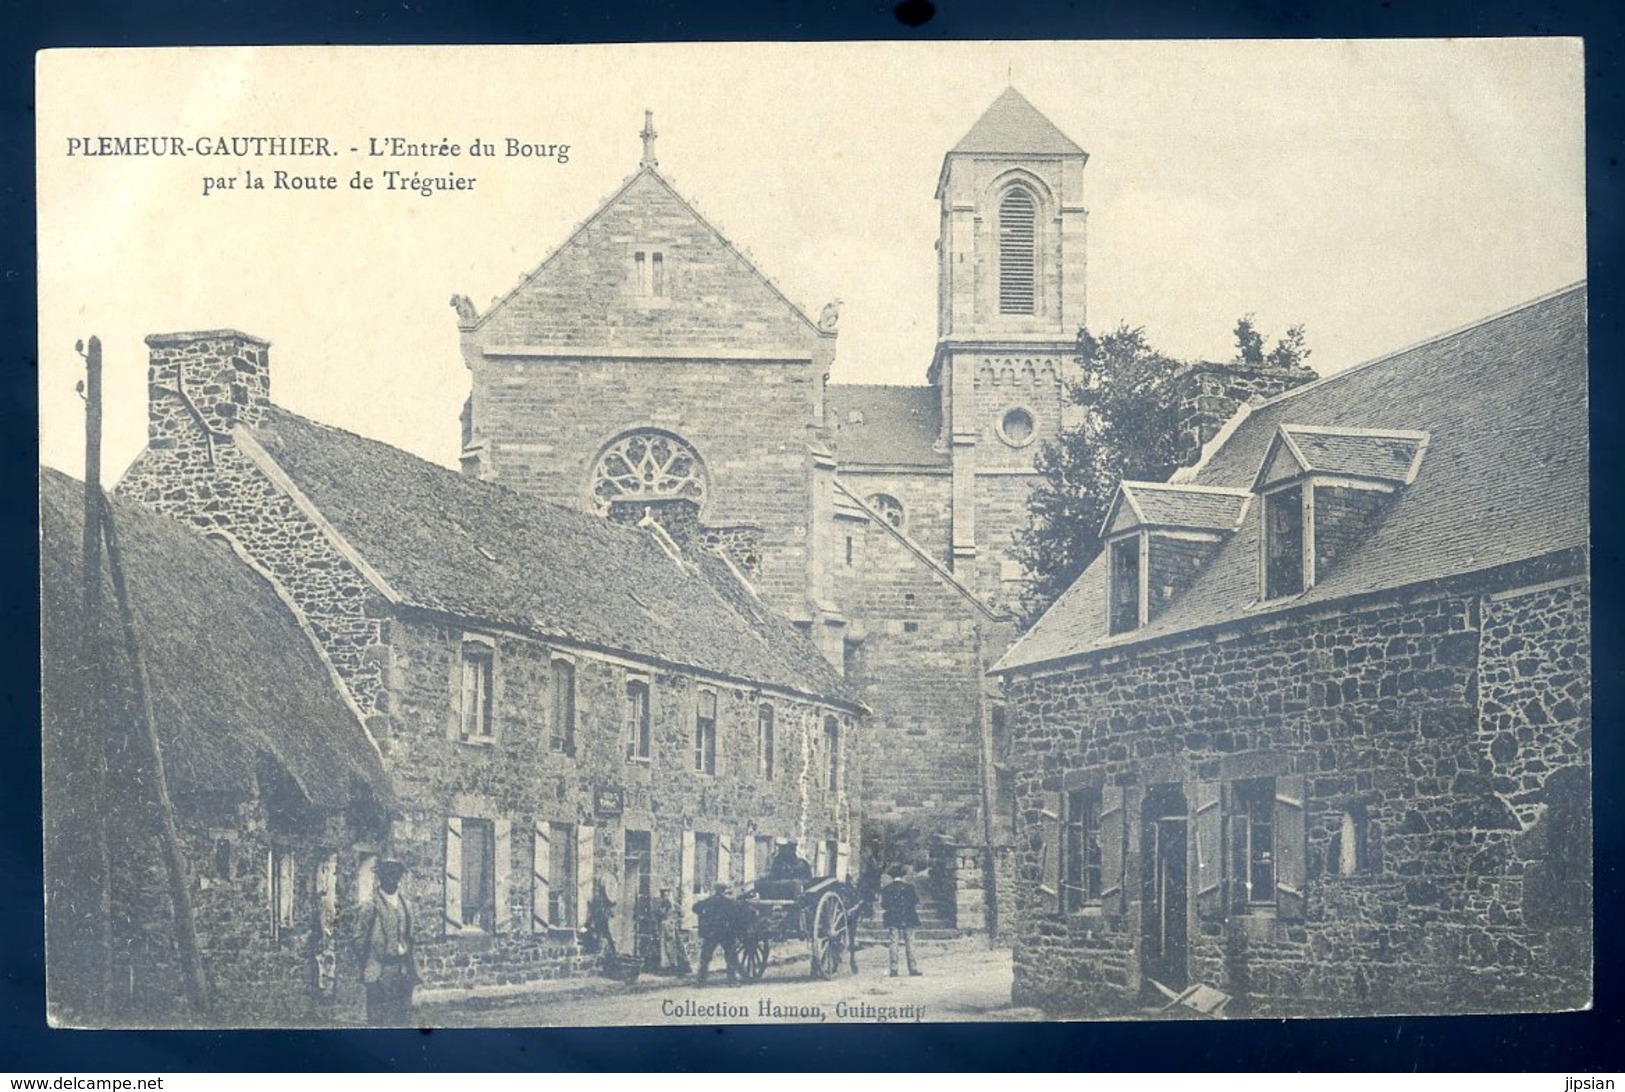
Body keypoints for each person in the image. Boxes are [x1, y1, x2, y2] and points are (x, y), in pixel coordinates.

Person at [356, 859, 419, 1025]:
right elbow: (359, 942)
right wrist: (369, 968)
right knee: (379, 1021)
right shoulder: (370, 906)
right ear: (380, 878)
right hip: (379, 971)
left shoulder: (407, 905)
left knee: (402, 1020)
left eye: (396, 875)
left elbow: (411, 938)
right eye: (387, 875)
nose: (392, 879)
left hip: (402, 970)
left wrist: (410, 967)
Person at [693, 883, 741, 986]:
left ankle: (701, 981)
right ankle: (732, 981)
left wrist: (703, 915)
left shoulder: (709, 900)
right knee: (730, 956)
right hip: (726, 932)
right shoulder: (729, 902)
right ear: (724, 890)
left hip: (712, 932)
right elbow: (737, 914)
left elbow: (695, 908)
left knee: (705, 956)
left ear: (715, 890)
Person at [880, 864, 922, 977]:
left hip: (893, 918)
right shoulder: (909, 888)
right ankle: (913, 968)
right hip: (909, 917)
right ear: (903, 875)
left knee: (893, 943)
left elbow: (884, 905)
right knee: (910, 943)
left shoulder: (886, 889)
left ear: (891, 876)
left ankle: (894, 969)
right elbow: (915, 901)